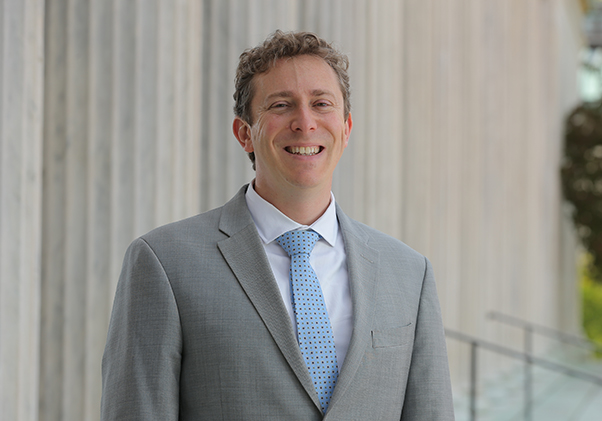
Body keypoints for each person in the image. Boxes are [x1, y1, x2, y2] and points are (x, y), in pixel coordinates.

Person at [101, 30, 454, 420]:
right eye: (281, 105)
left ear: (347, 128)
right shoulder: (164, 263)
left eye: (321, 103)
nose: (305, 123)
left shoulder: (408, 273)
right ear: (244, 134)